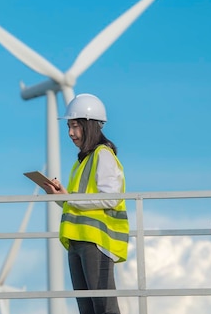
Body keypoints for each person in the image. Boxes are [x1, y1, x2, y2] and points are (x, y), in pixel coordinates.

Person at [42, 93, 129, 314]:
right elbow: (79, 204)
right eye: (69, 127)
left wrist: (71, 199)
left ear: (89, 126)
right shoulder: (82, 162)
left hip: (95, 241)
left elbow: (111, 197)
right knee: (86, 308)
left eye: (75, 126)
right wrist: (62, 197)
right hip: (77, 241)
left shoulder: (103, 155)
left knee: (104, 306)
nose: (70, 133)